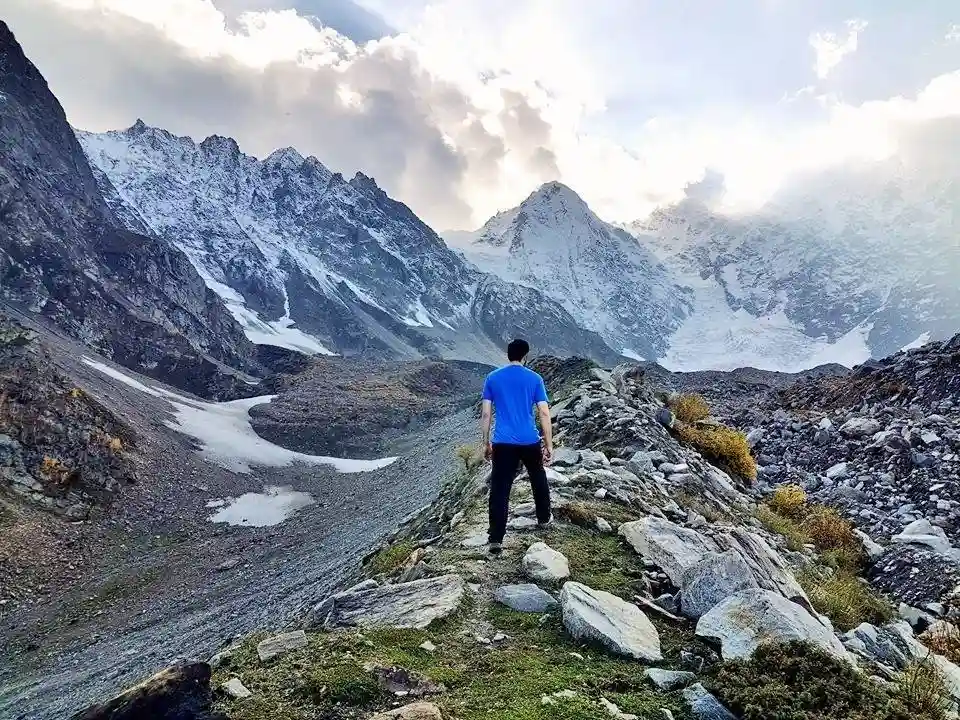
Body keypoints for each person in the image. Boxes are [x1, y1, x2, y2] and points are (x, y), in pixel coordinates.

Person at [480, 338, 553, 555]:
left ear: (508, 354)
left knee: (500, 488)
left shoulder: (493, 378)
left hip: (502, 441)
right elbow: (544, 412)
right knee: (538, 477)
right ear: (525, 356)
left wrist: (485, 442)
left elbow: (486, 413)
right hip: (529, 439)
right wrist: (549, 444)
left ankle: (496, 538)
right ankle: (543, 518)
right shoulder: (535, 379)